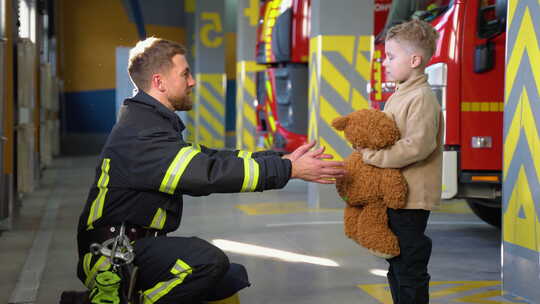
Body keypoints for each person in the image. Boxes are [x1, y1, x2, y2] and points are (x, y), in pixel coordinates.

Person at [73, 37, 344, 304]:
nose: (192, 82)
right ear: (159, 82)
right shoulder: (142, 134)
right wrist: (287, 170)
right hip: (111, 256)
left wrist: (281, 159)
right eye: (185, 74)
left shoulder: (150, 124)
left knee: (229, 276)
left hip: (133, 246)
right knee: (206, 261)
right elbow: (207, 173)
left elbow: (210, 157)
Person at [360, 19, 442, 304]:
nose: (385, 62)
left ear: (415, 59)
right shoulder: (400, 94)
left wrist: (373, 157)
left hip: (412, 197)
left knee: (409, 264)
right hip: (396, 196)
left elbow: (417, 146)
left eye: (391, 56)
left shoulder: (420, 97)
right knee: (395, 263)